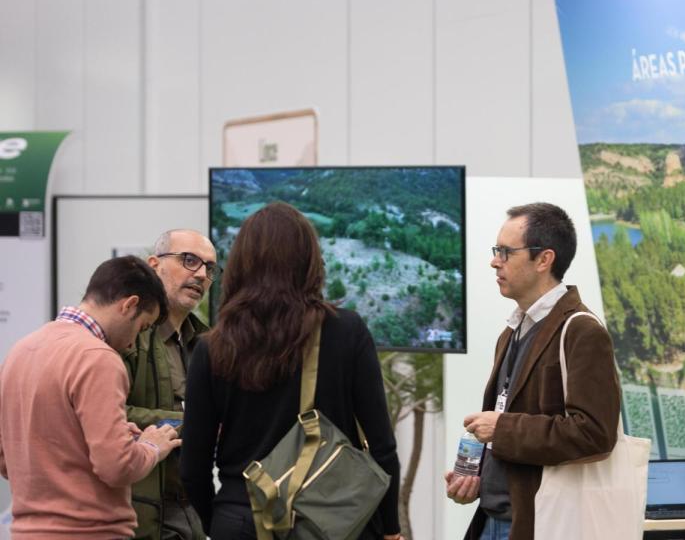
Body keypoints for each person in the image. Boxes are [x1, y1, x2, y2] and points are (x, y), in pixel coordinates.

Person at [180, 202, 403, 540]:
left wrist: (222, 521)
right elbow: (382, 447)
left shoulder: (211, 347)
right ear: (309, 261)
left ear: (241, 263)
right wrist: (390, 528)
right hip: (327, 522)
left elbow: (193, 466)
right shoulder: (346, 331)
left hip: (240, 515)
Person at [444, 202, 621, 540]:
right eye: (496, 250)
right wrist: (475, 479)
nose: (494, 261)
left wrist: (503, 428)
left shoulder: (582, 330)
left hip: (542, 525)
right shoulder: (510, 333)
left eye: (506, 252)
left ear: (544, 259)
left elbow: (596, 433)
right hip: (493, 519)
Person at [0, 256, 182, 539]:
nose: (134, 342)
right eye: (142, 327)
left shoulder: (19, 352)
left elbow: (7, 457)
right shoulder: (99, 359)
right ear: (129, 305)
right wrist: (149, 446)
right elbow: (117, 467)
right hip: (91, 531)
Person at [124, 229, 219, 539]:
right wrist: (191, 424)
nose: (201, 275)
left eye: (209, 268)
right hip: (139, 512)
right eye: (189, 260)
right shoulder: (128, 335)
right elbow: (107, 415)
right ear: (155, 265)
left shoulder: (205, 342)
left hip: (191, 509)